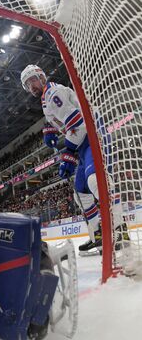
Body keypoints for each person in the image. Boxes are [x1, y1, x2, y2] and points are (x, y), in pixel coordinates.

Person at [21, 65, 103, 252]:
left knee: (95, 181)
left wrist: (68, 154)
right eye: (27, 85)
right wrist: (49, 129)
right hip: (83, 143)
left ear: (42, 76)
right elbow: (62, 119)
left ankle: (118, 227)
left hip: (92, 135)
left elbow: (77, 124)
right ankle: (97, 233)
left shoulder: (52, 93)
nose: (31, 86)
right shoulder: (46, 98)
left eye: (32, 80)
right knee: (80, 193)